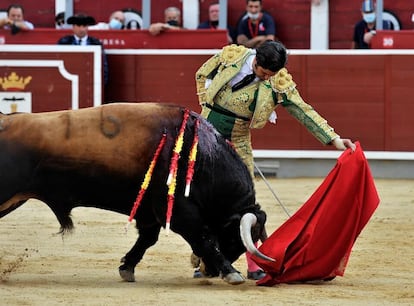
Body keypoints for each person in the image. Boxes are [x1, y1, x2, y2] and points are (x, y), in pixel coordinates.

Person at [193, 41, 356, 280]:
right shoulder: (232, 56)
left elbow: (303, 110)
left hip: (238, 139)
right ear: (256, 60)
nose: (267, 77)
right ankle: (205, 257)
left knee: (245, 203)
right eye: (263, 72)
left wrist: (333, 138)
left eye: (272, 74)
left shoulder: (277, 82)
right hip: (206, 135)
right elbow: (201, 73)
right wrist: (205, 101)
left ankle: (253, 263)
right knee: (200, 197)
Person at [57, 14, 109, 86]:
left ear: (87, 27)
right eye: (78, 26)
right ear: (73, 27)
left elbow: (103, 64)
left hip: (89, 80)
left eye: (84, 26)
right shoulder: (64, 42)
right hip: (68, 78)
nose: (81, 29)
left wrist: (102, 83)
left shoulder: (96, 43)